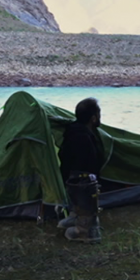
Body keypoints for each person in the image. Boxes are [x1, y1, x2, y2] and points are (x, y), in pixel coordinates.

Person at [56, 97, 105, 243]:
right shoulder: (84, 138)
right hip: (83, 185)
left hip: (70, 181)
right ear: (94, 118)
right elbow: (89, 166)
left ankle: (77, 215)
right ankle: (86, 230)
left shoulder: (72, 131)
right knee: (86, 180)